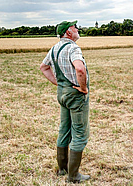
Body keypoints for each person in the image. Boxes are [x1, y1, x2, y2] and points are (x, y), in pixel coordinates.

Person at [40, 20, 90, 183]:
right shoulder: (73, 48)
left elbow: (44, 67)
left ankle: (62, 169)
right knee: (79, 133)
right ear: (68, 32)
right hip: (75, 94)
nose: (77, 29)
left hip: (62, 93)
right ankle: (73, 175)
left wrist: (58, 83)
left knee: (64, 129)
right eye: (75, 27)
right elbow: (80, 69)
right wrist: (82, 88)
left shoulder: (54, 48)